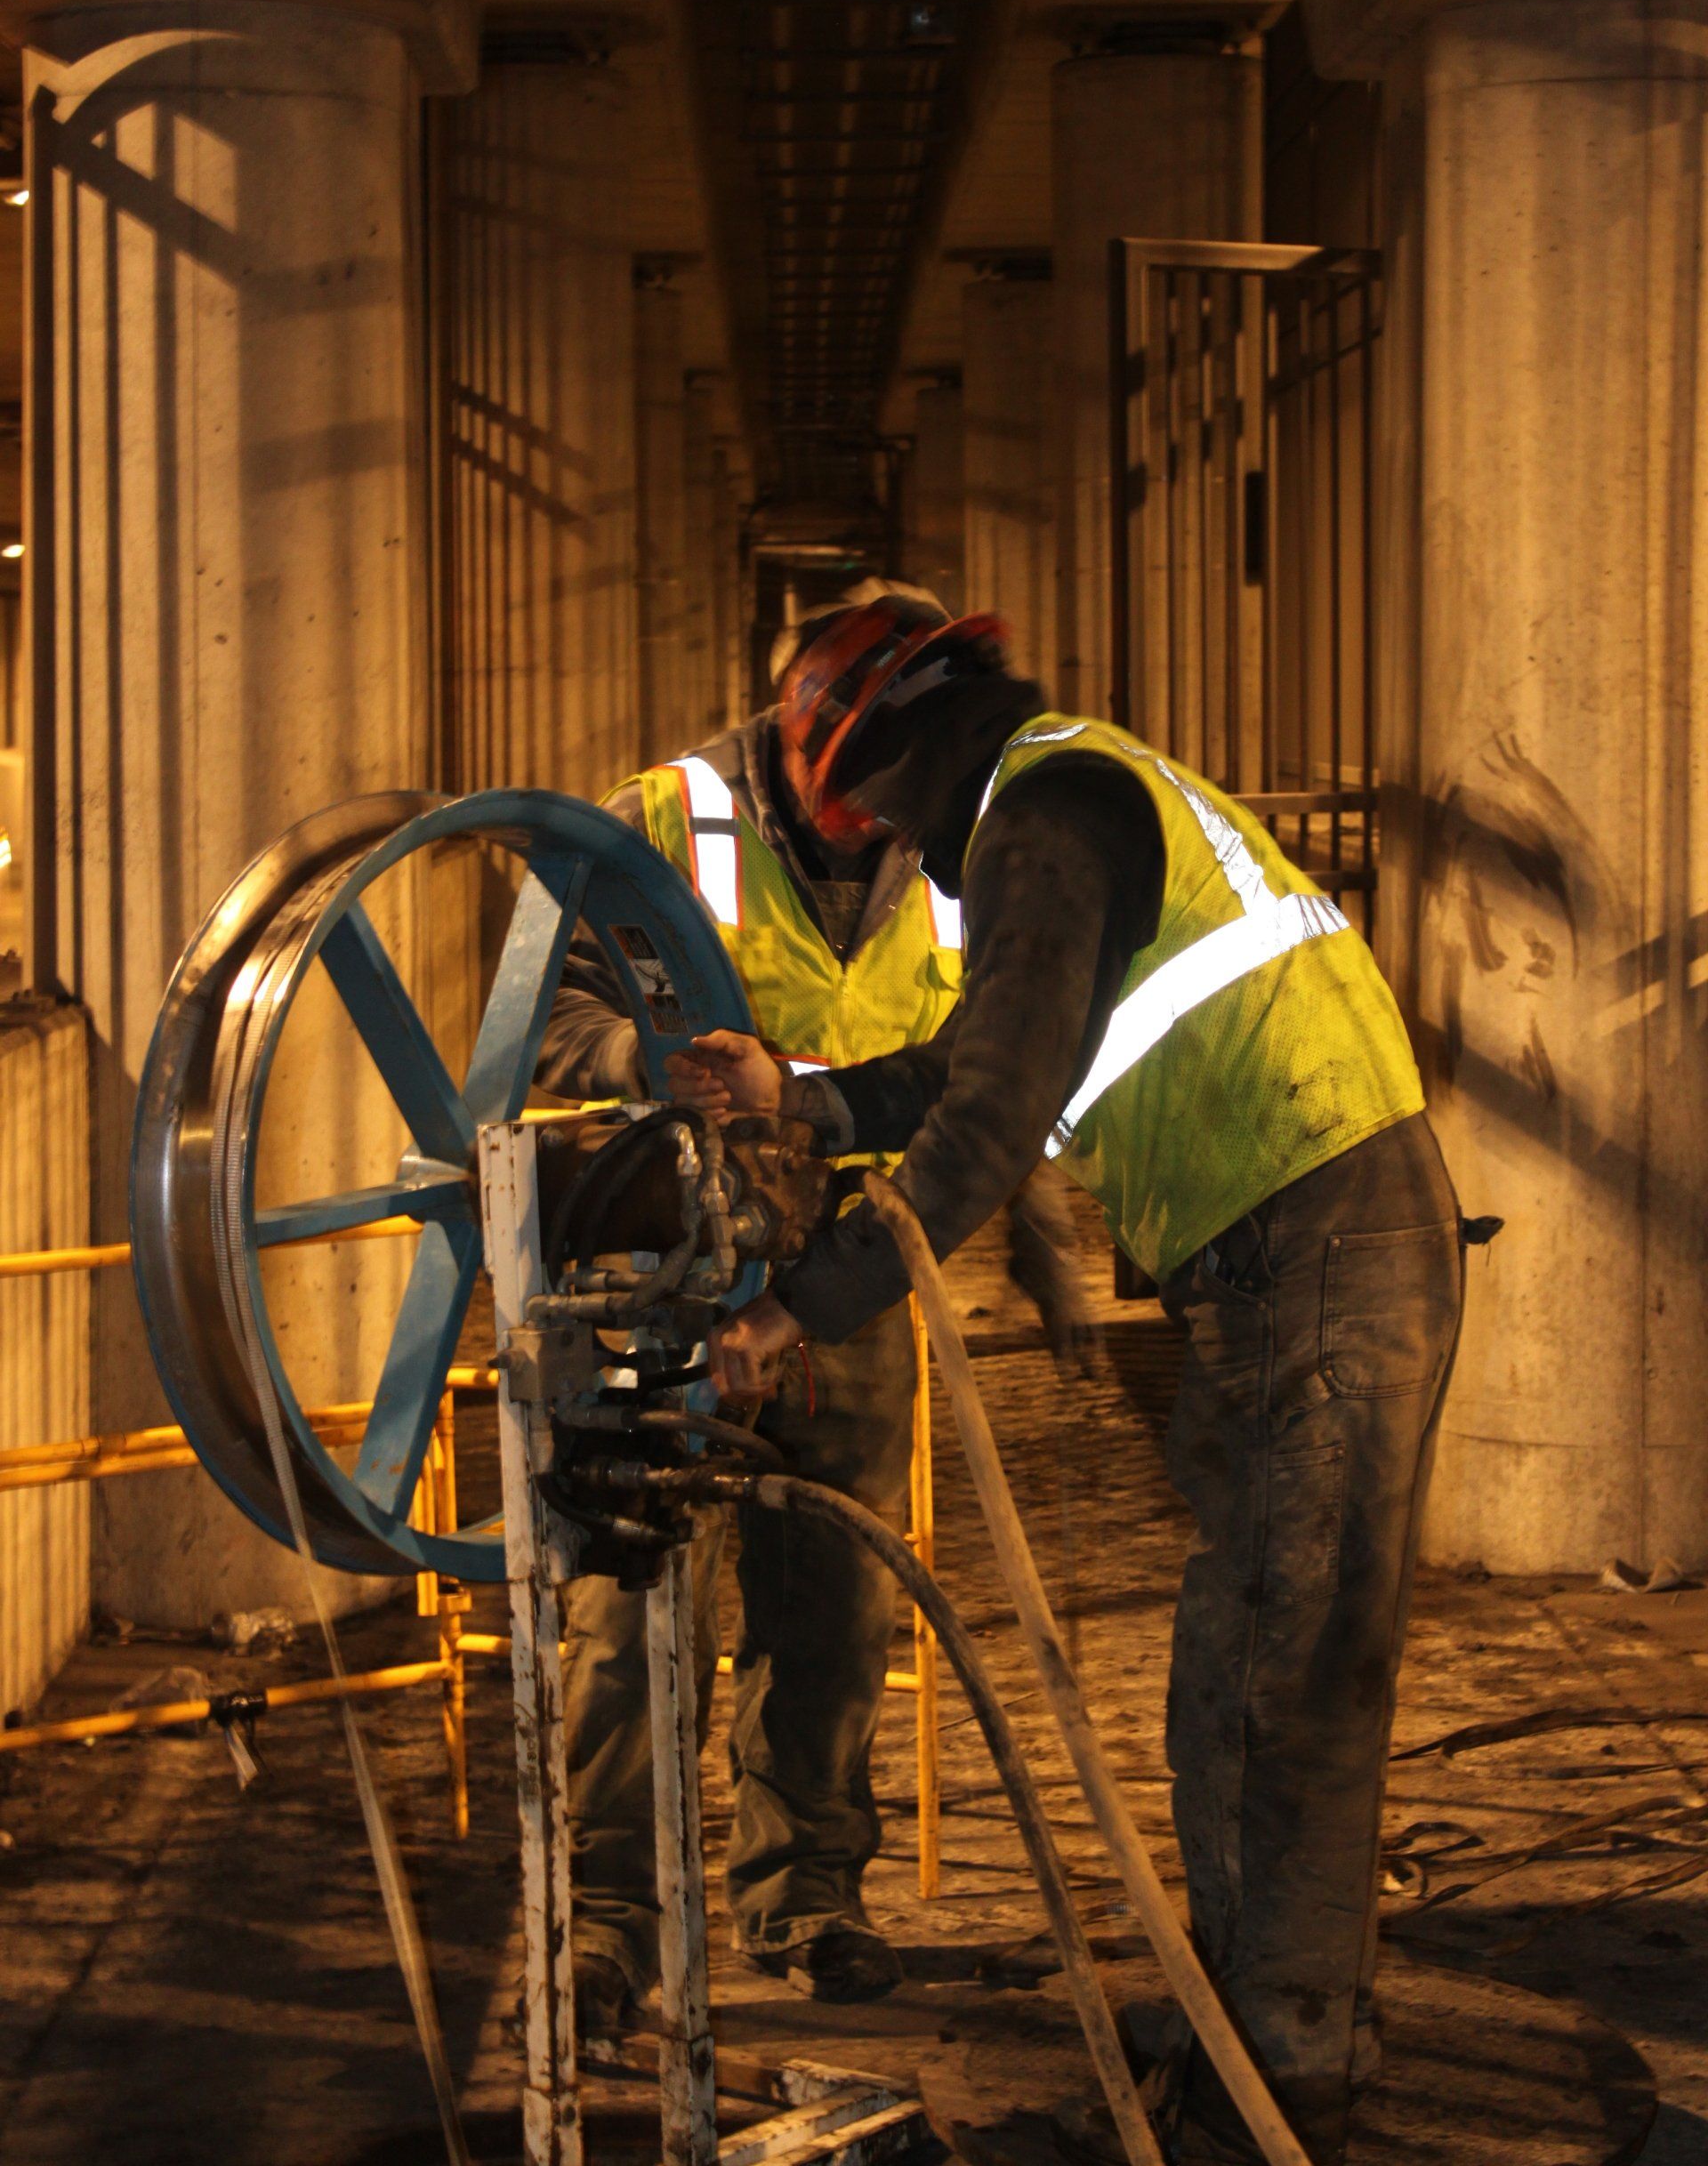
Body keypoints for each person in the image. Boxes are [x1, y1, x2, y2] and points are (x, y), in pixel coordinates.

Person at [677, 600, 1467, 2166]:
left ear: (902, 754)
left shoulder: (1041, 823)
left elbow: (984, 1127)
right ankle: (1246, 2016)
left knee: (1285, 1680)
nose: (891, 845)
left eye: (877, 810)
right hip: (1291, 1248)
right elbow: (991, 1054)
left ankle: (1279, 2078)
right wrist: (802, 1099)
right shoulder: (1066, 793)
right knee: (1238, 1666)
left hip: (1313, 1246)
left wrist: (790, 1315)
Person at [535, 587, 1085, 2029]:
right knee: (631, 1612)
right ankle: (611, 1923)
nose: (880, 826)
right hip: (666, 1272)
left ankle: (807, 1899)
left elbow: (992, 1067)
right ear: (800, 743)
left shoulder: (957, 839)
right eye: (858, 801)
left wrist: (1039, 1244)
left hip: (849, 1275)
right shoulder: (663, 821)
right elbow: (546, 1017)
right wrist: (645, 1063)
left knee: (832, 1614)